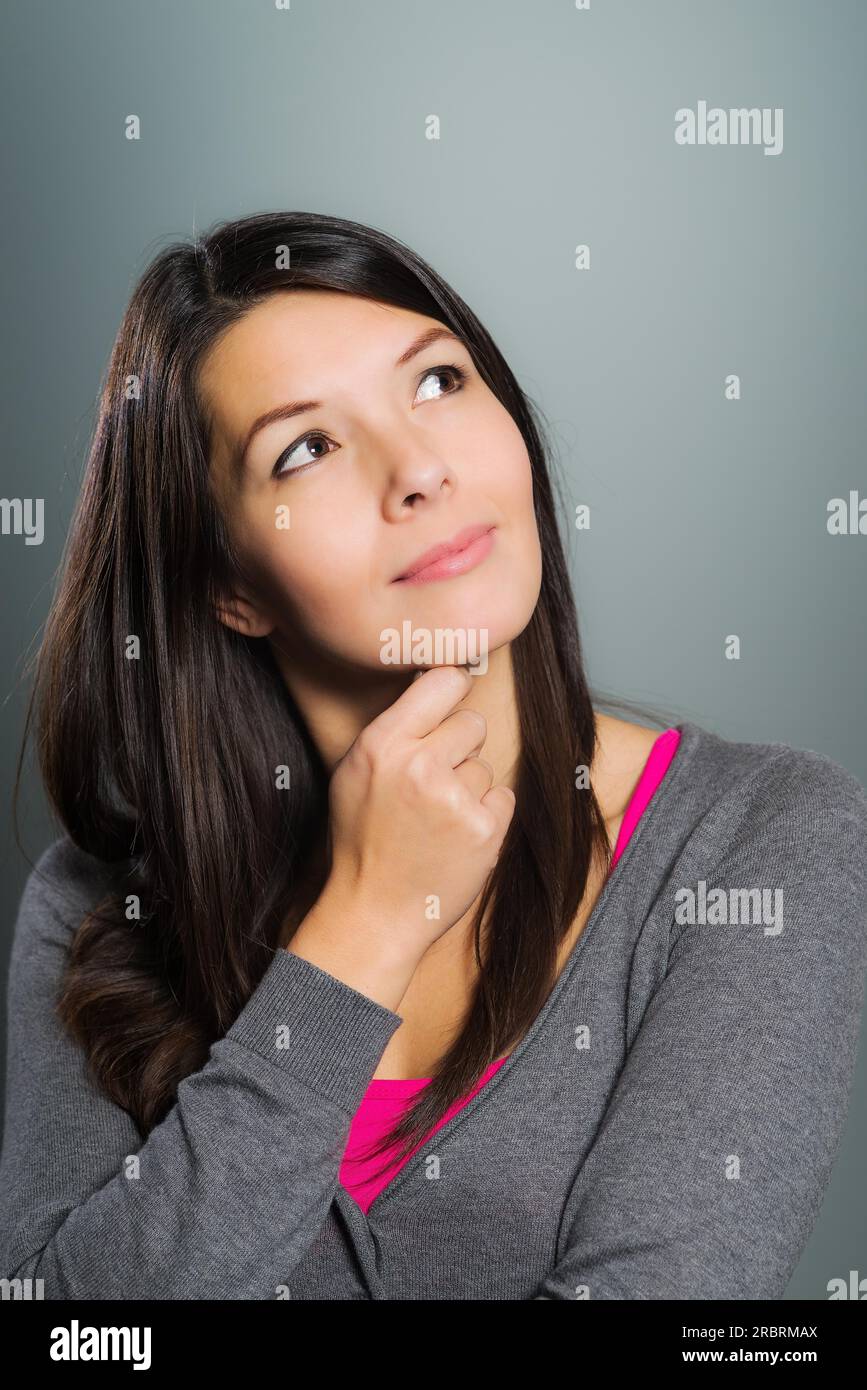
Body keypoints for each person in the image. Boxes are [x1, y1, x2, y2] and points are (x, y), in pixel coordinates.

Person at [1, 211, 865, 1300]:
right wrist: (360, 934)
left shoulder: (760, 841)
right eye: (306, 447)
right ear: (228, 582)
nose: (418, 469)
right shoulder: (94, 907)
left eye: (439, 382)